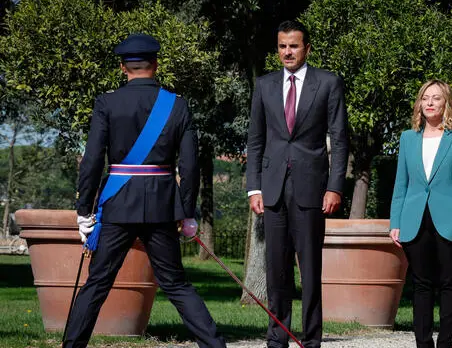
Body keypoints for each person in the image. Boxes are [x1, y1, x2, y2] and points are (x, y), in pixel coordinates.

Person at [67, 33, 227, 348]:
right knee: (177, 284)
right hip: (162, 206)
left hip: (118, 204)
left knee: (97, 283)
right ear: (155, 65)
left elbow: (92, 162)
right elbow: (190, 166)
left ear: (123, 68)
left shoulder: (107, 102)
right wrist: (188, 211)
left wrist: (84, 211)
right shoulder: (178, 105)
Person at [245, 20, 348, 348]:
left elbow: (340, 138)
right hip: (272, 189)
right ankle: (278, 337)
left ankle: (312, 339)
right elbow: (256, 139)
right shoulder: (264, 85)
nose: (287, 51)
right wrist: (254, 187)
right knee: (276, 270)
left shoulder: (328, 83)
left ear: (307, 48)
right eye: (281, 46)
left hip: (312, 189)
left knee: (310, 268)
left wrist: (335, 187)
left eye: (293, 45)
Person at [389, 79, 452, 348]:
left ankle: (445, 344)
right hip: (414, 220)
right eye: (425, 98)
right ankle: (423, 343)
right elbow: (401, 184)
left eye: (436, 98)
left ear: (446, 103)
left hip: (450, 220)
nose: (429, 103)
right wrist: (395, 222)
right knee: (421, 285)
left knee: (449, 283)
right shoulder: (407, 138)